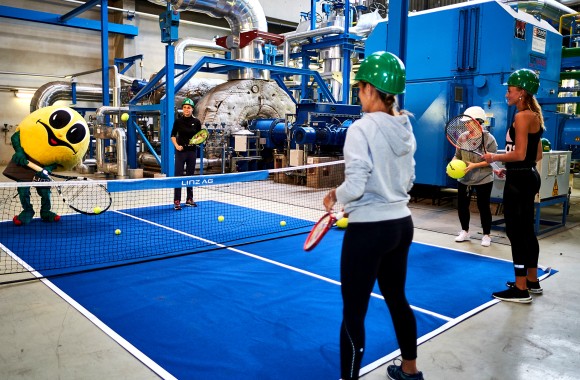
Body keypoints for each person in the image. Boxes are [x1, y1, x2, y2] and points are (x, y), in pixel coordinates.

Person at [323, 51, 423, 380]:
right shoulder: (405, 128)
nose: (358, 95)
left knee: (354, 312)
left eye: (359, 88)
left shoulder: (361, 128)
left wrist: (335, 196)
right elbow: (409, 179)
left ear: (368, 89)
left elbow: (357, 181)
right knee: (397, 298)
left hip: (369, 231)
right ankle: (410, 371)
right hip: (401, 224)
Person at [483, 68, 544, 303]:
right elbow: (536, 154)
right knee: (527, 231)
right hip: (528, 176)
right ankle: (532, 280)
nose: (507, 95)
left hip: (519, 180)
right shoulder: (534, 116)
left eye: (510, 90)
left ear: (522, 93)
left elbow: (518, 154)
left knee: (516, 233)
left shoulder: (521, 117)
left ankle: (520, 289)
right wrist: (508, 165)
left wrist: (494, 157)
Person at [452, 106, 498, 247]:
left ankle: (486, 235)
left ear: (478, 122)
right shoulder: (462, 137)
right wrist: (453, 163)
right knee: (462, 205)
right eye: (466, 122)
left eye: (469, 122)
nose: (466, 124)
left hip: (484, 178)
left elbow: (492, 159)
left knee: (483, 206)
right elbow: (457, 155)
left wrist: (474, 165)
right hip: (465, 178)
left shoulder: (489, 139)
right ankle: (464, 231)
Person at [171, 97, 202, 210]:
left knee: (190, 176)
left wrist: (198, 142)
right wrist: (177, 146)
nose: (186, 109)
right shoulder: (178, 121)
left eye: (188, 108)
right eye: (184, 107)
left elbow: (200, 137)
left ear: (192, 109)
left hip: (192, 152)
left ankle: (189, 199)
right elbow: (173, 136)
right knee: (178, 176)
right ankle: (177, 201)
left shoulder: (197, 122)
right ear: (182, 109)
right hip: (181, 152)